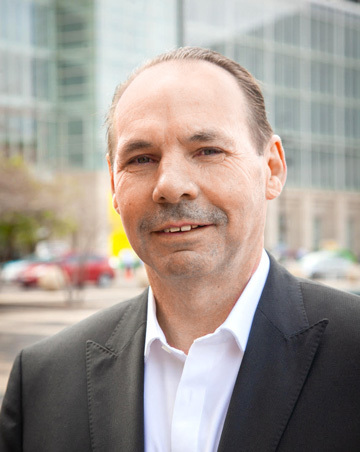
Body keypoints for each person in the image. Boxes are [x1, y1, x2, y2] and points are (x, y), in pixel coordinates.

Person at [1, 47, 360, 452]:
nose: (170, 184)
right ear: (114, 185)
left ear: (272, 169)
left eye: (207, 151)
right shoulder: (42, 383)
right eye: (141, 158)